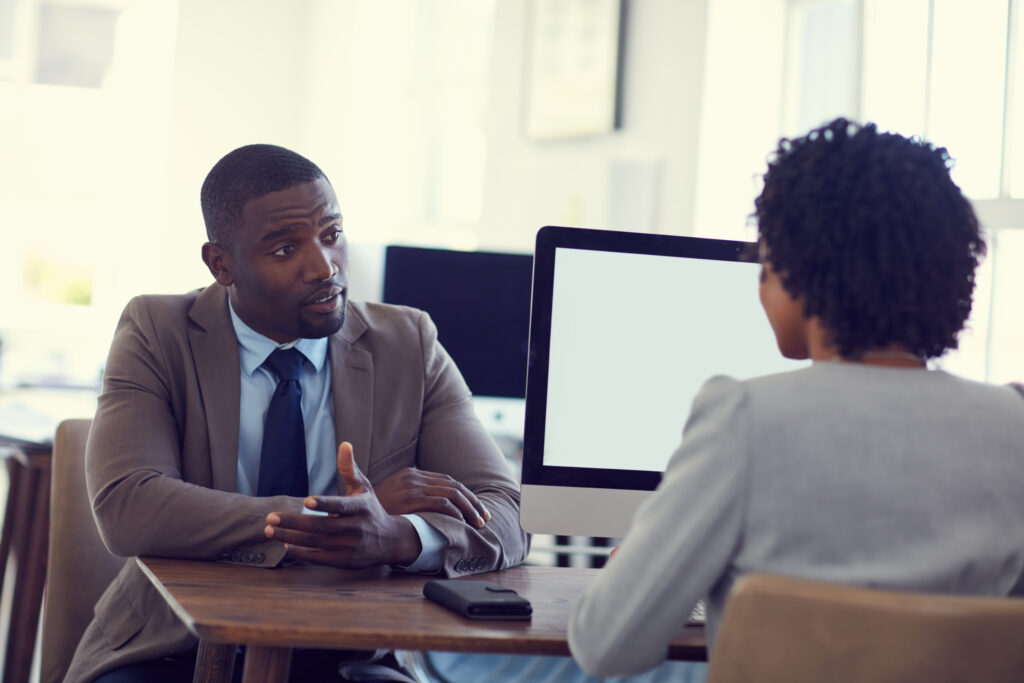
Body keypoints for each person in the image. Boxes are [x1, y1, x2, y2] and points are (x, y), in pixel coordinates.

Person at [567, 118, 1024, 678]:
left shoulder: (745, 418)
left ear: (800, 272)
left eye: (765, 260)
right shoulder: (1014, 423)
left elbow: (606, 645)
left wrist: (642, 570)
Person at [65, 144, 529, 683]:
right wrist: (325, 522)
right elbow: (129, 506)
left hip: (351, 654)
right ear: (222, 264)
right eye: (285, 250)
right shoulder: (157, 330)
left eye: (331, 235)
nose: (323, 266)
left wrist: (399, 536)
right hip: (172, 651)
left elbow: (510, 512)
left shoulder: (408, 342)